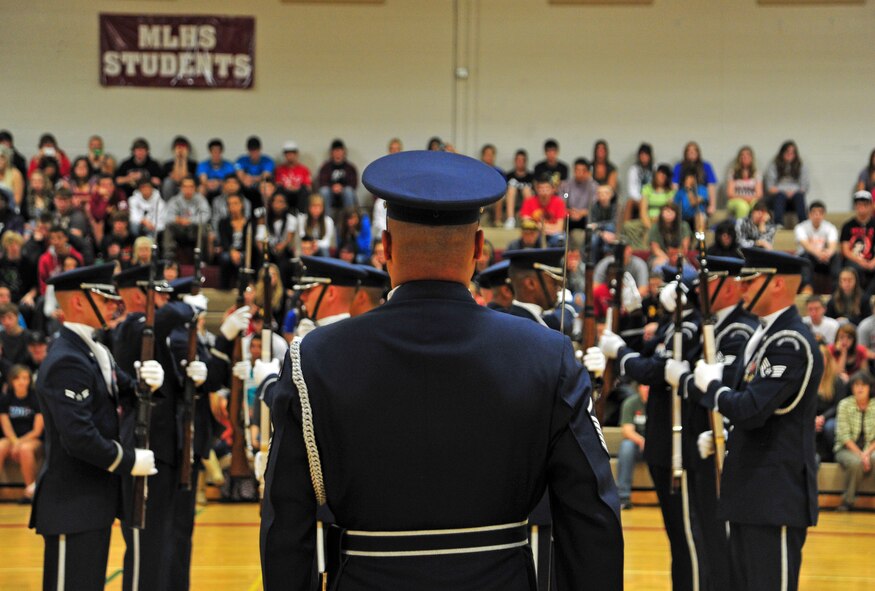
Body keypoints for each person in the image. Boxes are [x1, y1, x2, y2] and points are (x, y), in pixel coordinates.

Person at [260, 150, 622, 590]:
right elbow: (593, 515)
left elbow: (284, 524)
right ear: (477, 249)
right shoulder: (546, 355)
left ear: (386, 248)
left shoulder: (314, 359)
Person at [687, 248, 823, 591]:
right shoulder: (767, 337)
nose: (742, 288)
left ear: (777, 284)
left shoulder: (789, 342)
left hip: (774, 497)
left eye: (750, 281)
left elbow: (751, 409)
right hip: (751, 494)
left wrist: (712, 389)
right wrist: (727, 436)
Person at [29, 263, 164, 591]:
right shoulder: (66, 359)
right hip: (71, 505)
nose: (112, 305)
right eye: (104, 298)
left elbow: (125, 390)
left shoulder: (95, 351)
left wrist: (147, 384)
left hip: (94, 504)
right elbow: (78, 437)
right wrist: (129, 461)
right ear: (78, 302)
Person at [585, 266, 704, 591]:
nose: (661, 287)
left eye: (668, 282)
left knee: (686, 537)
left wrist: (620, 352)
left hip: (678, 442)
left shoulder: (690, 327)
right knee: (676, 537)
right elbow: (648, 348)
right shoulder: (672, 325)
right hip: (663, 440)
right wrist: (635, 313)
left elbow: (654, 369)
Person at [111, 265, 208, 591]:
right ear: (139, 294)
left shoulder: (158, 331)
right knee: (146, 542)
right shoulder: (133, 328)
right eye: (160, 293)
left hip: (168, 448)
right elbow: (167, 316)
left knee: (168, 538)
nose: (167, 299)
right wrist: (189, 306)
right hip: (144, 446)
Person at [503, 247, 576, 336]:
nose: (559, 289)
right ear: (530, 284)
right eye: (554, 283)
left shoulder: (525, 320)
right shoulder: (525, 330)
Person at [833, 371, 875, 511]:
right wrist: (862, 456)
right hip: (846, 449)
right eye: (856, 385)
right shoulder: (844, 405)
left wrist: (867, 453)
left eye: (863, 385)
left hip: (871, 449)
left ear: (870, 387)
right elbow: (844, 437)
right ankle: (848, 502)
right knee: (855, 462)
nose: (860, 388)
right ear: (852, 388)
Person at [0, 365, 43, 502]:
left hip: (32, 438)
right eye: (17, 378)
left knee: (25, 450)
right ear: (11, 381)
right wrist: (15, 442)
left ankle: (30, 491)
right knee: (0, 447)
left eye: (25, 378)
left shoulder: (35, 399)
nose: (21, 381)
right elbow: (5, 425)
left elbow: (37, 430)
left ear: (30, 380)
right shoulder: (6, 399)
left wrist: (19, 444)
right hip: (12, 438)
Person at [795, 200, 840, 293]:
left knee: (836, 256)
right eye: (814, 213)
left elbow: (832, 245)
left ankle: (837, 288)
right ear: (809, 214)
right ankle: (807, 287)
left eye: (820, 213)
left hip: (824, 260)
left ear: (824, 215)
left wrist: (827, 254)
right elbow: (806, 245)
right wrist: (819, 254)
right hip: (808, 259)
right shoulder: (800, 227)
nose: (817, 215)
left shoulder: (830, 227)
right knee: (806, 256)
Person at [162, 176, 211, 260]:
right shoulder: (175, 200)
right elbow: (167, 217)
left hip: (194, 229)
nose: (188, 189)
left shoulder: (201, 200)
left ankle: (201, 259)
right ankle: (168, 257)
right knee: (168, 226)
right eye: (185, 186)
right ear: (181, 188)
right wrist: (179, 220)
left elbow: (206, 216)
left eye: (191, 186)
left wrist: (189, 220)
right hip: (179, 229)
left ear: (195, 188)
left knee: (202, 227)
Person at [616, 383, 647, 510]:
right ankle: (623, 497)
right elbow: (627, 431)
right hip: (639, 446)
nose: (647, 389)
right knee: (626, 446)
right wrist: (642, 441)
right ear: (639, 388)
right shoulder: (631, 403)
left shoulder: (661, 403)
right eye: (645, 386)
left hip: (657, 446)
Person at [765, 140, 810, 227]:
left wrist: (793, 192)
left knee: (799, 196)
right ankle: (778, 223)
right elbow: (770, 188)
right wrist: (785, 191)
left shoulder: (801, 165)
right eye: (787, 152)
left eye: (792, 152)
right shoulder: (773, 165)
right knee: (780, 196)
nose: (790, 154)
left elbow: (804, 187)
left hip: (795, 196)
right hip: (778, 197)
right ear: (782, 152)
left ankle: (804, 223)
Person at [839, 190, 875, 294]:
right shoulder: (847, 226)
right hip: (853, 261)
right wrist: (860, 261)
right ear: (855, 206)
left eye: (865, 204)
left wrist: (873, 262)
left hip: (872, 260)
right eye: (859, 204)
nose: (862, 208)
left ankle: (867, 297)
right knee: (853, 269)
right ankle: (861, 297)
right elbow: (845, 250)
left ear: (871, 206)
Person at [815, 344, 846, 462]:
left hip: (832, 416)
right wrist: (813, 419)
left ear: (827, 359)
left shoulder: (837, 380)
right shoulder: (809, 378)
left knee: (829, 427)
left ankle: (835, 458)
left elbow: (839, 405)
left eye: (821, 357)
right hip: (813, 416)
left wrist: (823, 417)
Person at [672, 141, 717, 211]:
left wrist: (712, 205)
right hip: (683, 199)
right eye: (689, 150)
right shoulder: (678, 167)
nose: (692, 152)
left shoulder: (706, 166)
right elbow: (674, 186)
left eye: (694, 150)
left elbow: (711, 186)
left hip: (699, 203)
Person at [317, 139, 359, 212]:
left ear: (344, 152)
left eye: (340, 151)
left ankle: (349, 218)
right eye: (335, 151)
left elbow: (353, 184)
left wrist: (341, 187)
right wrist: (332, 187)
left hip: (345, 193)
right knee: (324, 191)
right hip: (330, 193)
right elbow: (321, 182)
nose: (338, 153)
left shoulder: (350, 167)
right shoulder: (325, 167)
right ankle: (327, 220)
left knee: (348, 191)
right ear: (331, 153)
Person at [559, 158, 598, 231]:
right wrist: (570, 211)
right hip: (569, 215)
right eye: (577, 170)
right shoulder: (566, 185)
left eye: (583, 171)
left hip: (586, 216)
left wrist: (582, 213)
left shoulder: (593, 187)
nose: (580, 173)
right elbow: (563, 200)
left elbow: (595, 207)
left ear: (588, 172)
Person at [274, 141, 312, 213]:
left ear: (296, 154)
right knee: (279, 190)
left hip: (299, 195)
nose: (290, 155)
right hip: (285, 194)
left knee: (304, 190)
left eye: (292, 153)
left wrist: (296, 188)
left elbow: (308, 187)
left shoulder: (304, 169)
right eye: (287, 153)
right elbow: (277, 184)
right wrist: (288, 188)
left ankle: (302, 216)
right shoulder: (279, 169)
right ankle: (282, 216)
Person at [725, 146, 763, 220]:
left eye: (747, 155)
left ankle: (756, 229)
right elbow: (730, 193)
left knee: (757, 206)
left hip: (752, 200)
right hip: (735, 200)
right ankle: (741, 229)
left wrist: (750, 199)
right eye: (742, 155)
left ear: (752, 158)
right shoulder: (732, 173)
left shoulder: (757, 173)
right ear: (739, 158)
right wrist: (745, 198)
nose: (745, 157)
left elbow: (759, 194)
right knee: (743, 206)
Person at [502, 149, 534, 229]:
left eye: (522, 160)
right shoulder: (508, 175)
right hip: (511, 199)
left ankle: (529, 218)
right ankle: (510, 219)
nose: (520, 162)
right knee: (512, 189)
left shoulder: (531, 176)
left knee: (526, 189)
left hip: (526, 199)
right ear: (515, 161)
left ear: (525, 161)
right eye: (518, 160)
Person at [639, 163, 675, 231]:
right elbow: (643, 210)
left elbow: (669, 208)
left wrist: (659, 218)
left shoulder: (670, 191)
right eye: (660, 173)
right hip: (648, 218)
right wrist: (648, 225)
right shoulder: (647, 188)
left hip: (663, 219)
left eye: (665, 175)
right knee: (628, 226)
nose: (662, 177)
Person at [161, 136, 198, 200]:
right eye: (178, 148)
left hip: (187, 190)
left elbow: (183, 179)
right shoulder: (167, 165)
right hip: (172, 190)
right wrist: (177, 159)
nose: (180, 150)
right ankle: (168, 206)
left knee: (187, 184)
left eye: (183, 148)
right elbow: (177, 179)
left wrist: (184, 159)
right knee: (168, 182)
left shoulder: (193, 164)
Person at [626, 143, 654, 223]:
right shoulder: (633, 169)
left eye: (646, 155)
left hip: (652, 198)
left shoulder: (655, 169)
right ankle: (626, 229)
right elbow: (631, 190)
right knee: (629, 202)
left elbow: (656, 187)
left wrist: (648, 199)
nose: (644, 157)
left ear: (650, 156)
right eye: (642, 154)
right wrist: (642, 200)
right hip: (637, 199)